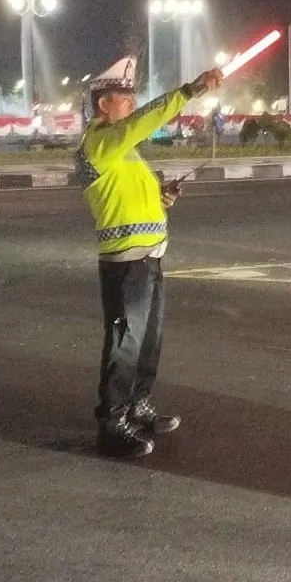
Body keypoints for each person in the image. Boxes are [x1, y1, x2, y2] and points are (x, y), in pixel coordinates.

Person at [74, 56, 223, 458]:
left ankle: (139, 404)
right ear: (103, 104)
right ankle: (113, 421)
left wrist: (162, 198)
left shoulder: (125, 152)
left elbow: (131, 198)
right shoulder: (98, 144)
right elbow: (144, 121)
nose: (132, 101)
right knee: (125, 343)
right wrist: (190, 91)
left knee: (148, 341)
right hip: (125, 263)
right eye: (124, 96)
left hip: (150, 258)